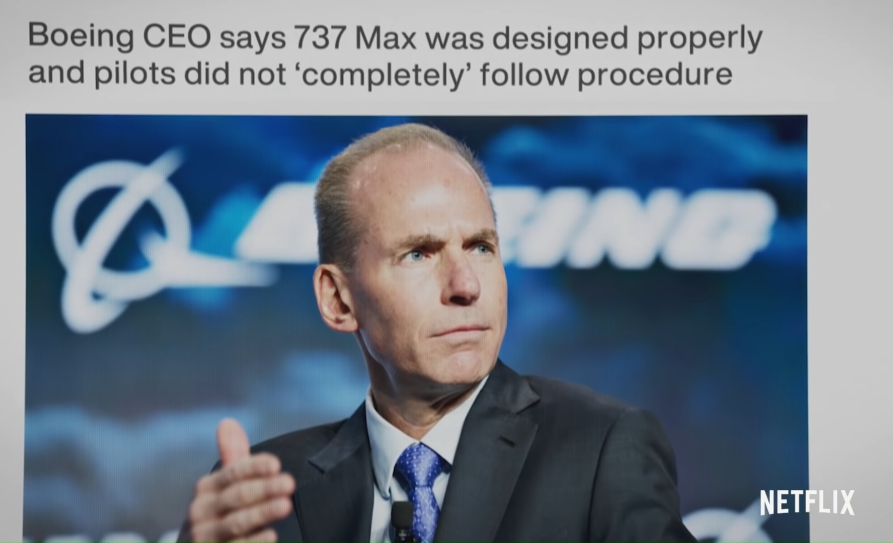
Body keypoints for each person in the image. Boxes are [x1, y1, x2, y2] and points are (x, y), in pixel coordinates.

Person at [175, 123, 697, 543]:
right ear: (338, 299)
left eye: (480, 247)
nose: (466, 285)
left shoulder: (601, 450)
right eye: (419, 254)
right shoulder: (269, 494)